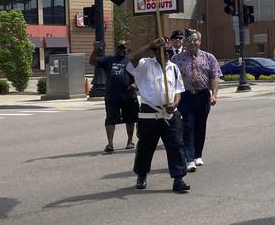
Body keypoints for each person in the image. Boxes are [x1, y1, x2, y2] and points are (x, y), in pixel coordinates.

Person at [127, 37, 190, 193]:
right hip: (149, 112)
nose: (165, 54)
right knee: (145, 147)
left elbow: (178, 91)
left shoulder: (174, 68)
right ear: (154, 52)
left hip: (170, 113)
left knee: (176, 145)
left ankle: (178, 178)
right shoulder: (144, 65)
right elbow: (132, 59)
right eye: (161, 51)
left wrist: (174, 104)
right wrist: (149, 44)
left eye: (167, 52)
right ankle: (141, 175)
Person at [171, 29, 222, 172]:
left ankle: (197, 155)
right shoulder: (177, 59)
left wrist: (214, 94)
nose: (192, 43)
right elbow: (172, 79)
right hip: (185, 97)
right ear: (185, 42)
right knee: (187, 127)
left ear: (200, 42)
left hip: (203, 96)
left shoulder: (209, 57)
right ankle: (189, 158)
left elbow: (215, 76)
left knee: (200, 126)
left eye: (195, 40)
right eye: (189, 40)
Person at [89, 40, 138, 153]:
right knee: (110, 120)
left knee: (130, 120)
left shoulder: (131, 61)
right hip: (112, 96)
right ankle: (110, 144)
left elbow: (141, 74)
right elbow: (92, 62)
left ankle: (130, 141)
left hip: (129, 95)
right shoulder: (108, 60)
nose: (121, 49)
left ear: (127, 49)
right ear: (116, 48)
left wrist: (135, 84)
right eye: (119, 47)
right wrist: (95, 50)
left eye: (123, 48)